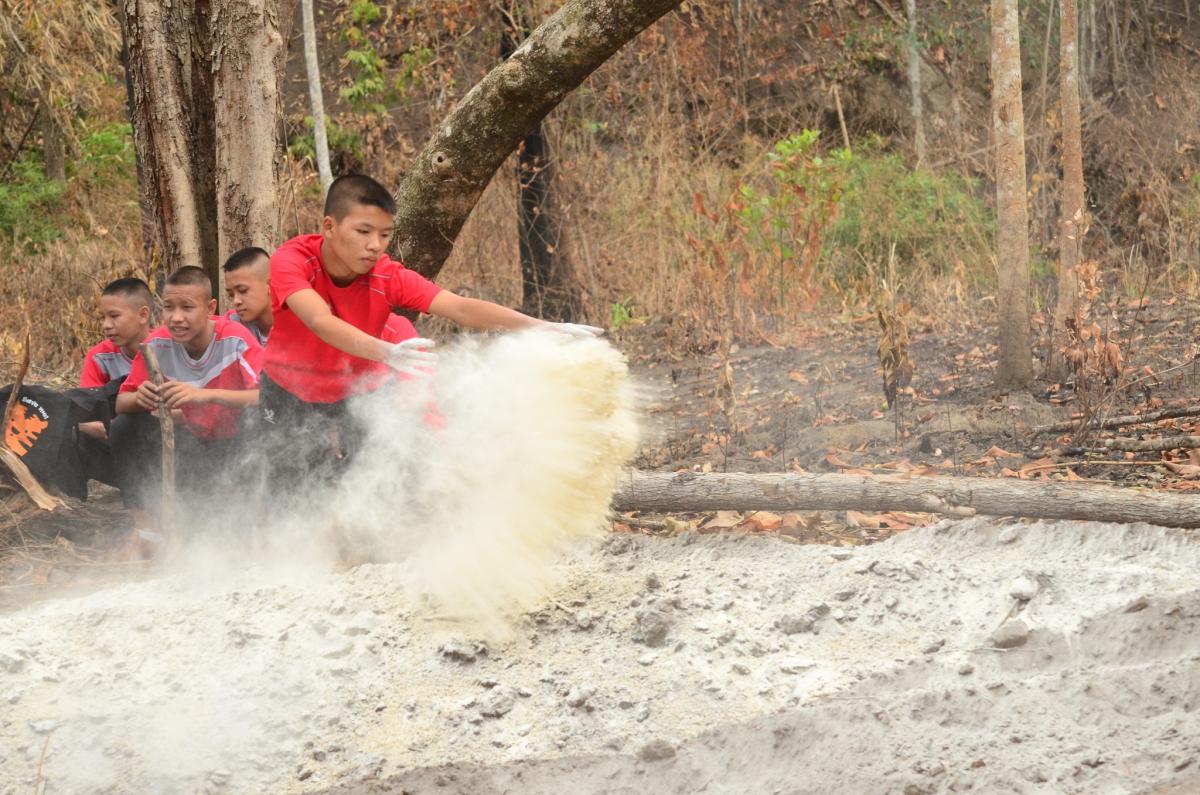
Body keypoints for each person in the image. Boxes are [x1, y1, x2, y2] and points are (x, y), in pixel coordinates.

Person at [260, 173, 599, 489]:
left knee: (369, 482)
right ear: (329, 227)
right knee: (292, 484)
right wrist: (387, 352)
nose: (375, 245)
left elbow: (460, 307)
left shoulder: (388, 276)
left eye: (385, 234)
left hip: (358, 390)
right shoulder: (292, 261)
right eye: (363, 232)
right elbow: (320, 321)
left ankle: (364, 548)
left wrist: (545, 328)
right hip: (289, 387)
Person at [111, 267, 263, 543]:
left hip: (240, 449)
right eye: (169, 307)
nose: (176, 318)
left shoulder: (235, 339)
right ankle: (147, 528)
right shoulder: (157, 344)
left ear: (210, 307)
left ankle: (259, 520)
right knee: (125, 427)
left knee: (268, 421)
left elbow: (265, 396)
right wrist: (139, 398)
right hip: (192, 449)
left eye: (187, 307)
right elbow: (122, 402)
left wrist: (203, 395)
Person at [222, 246, 272, 346]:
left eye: (242, 290)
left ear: (270, 285)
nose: (236, 301)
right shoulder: (231, 328)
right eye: (231, 295)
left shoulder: (300, 322)